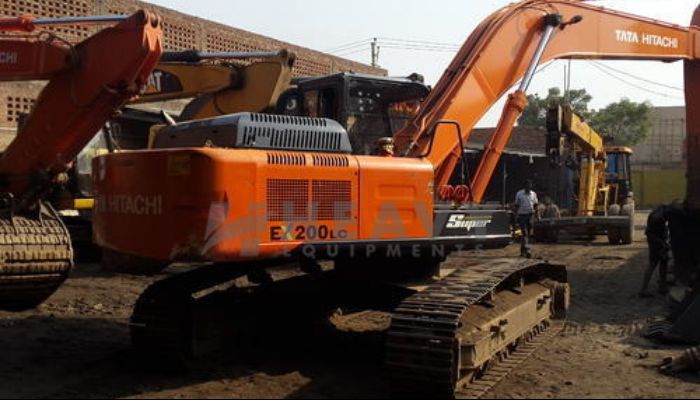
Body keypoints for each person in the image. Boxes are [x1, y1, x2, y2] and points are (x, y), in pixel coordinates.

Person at [640, 204, 671, 297]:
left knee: (663, 263)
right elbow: (649, 233)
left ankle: (662, 286)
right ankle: (643, 289)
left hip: (658, 242)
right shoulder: (659, 218)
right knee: (653, 264)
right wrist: (662, 244)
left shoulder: (658, 213)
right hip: (656, 244)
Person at [515, 180, 539, 258]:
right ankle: (527, 250)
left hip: (530, 215)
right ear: (525, 186)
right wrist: (516, 216)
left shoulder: (533, 194)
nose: (529, 187)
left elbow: (535, 205)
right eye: (527, 186)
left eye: (530, 186)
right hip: (522, 215)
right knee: (525, 233)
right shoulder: (519, 194)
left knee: (527, 234)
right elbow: (516, 205)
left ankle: (522, 251)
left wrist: (538, 216)